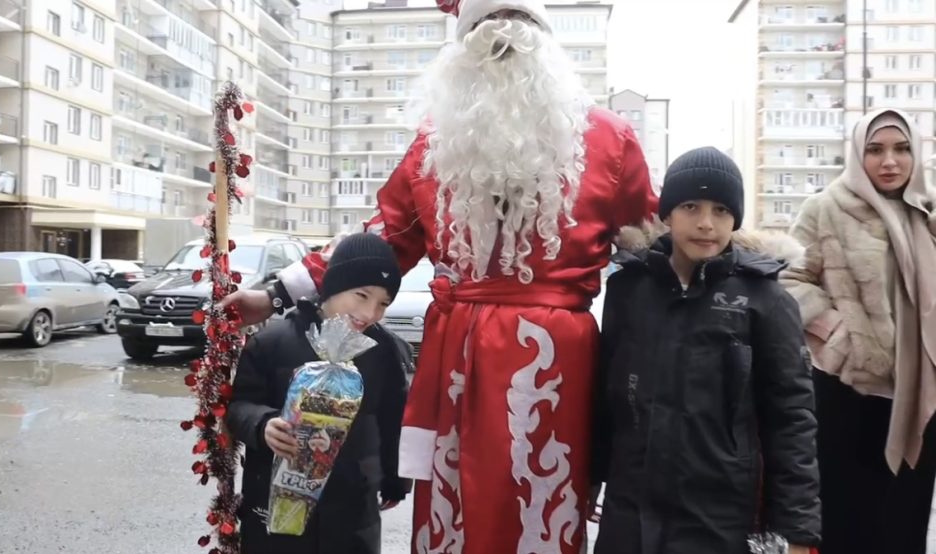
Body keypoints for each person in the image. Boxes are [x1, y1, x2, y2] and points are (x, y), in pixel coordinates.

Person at [220, 0, 658, 550]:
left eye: (518, 27)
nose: (504, 40)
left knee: (541, 499)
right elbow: (379, 240)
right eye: (488, 29)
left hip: (552, 361)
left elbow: (654, 244)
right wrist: (275, 293)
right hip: (460, 355)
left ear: (544, 43)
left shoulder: (611, 138)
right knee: (455, 498)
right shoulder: (436, 144)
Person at [590, 147, 821, 554]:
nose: (705, 224)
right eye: (690, 206)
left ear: (735, 218)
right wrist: (591, 479)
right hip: (631, 513)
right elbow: (604, 397)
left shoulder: (764, 300)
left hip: (719, 518)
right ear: (667, 214)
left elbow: (792, 420)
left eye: (720, 210)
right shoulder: (629, 289)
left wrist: (796, 529)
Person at [781, 109, 936, 554]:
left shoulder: (927, 212)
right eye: (876, 149)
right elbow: (790, 283)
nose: (890, 161)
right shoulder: (826, 208)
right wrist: (842, 342)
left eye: (902, 148)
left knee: (904, 524)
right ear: (857, 154)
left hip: (919, 399)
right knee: (846, 522)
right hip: (847, 394)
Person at [226, 233, 413, 554]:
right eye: (361, 295)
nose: (370, 313)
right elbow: (239, 406)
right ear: (334, 285)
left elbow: (393, 417)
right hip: (277, 506)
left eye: (383, 303)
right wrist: (263, 424)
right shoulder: (274, 342)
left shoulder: (383, 351)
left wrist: (396, 480)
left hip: (353, 511)